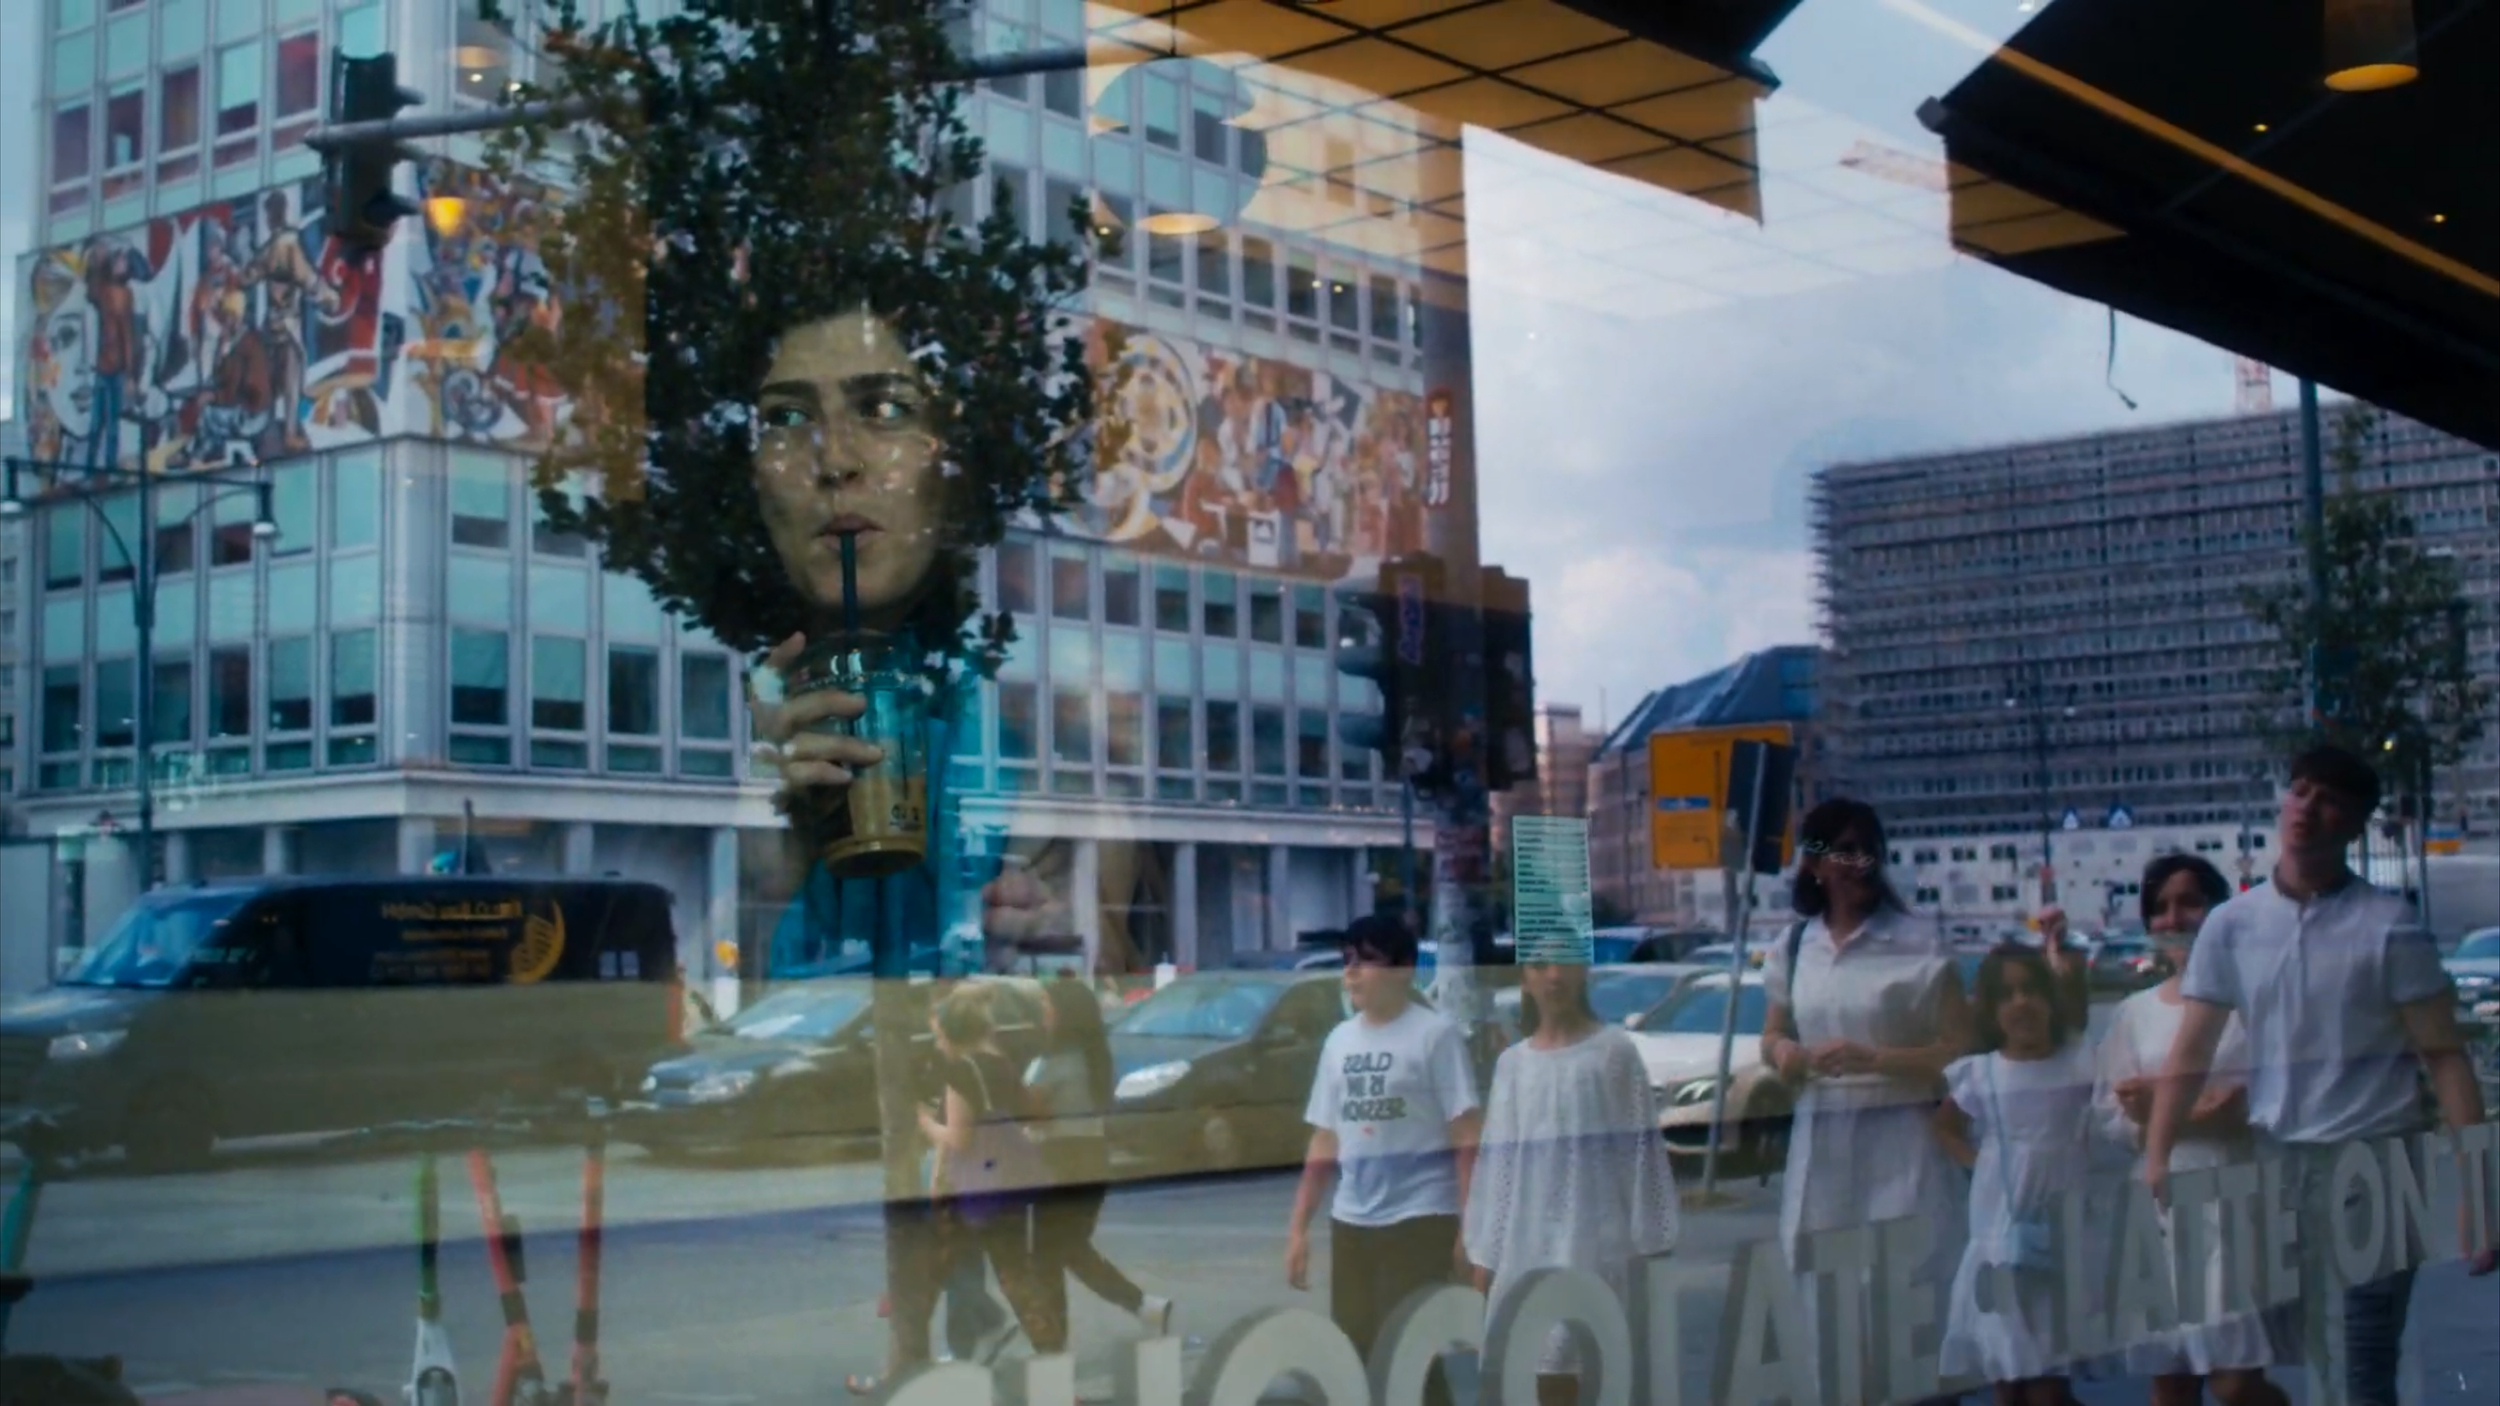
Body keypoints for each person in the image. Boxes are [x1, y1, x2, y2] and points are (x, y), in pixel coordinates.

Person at [2146, 744, 2499, 1406]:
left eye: (2329, 799)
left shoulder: (2388, 926)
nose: (2306, 808)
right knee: (2314, 1351)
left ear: (2354, 825)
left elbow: (2445, 1058)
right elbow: (2192, 1050)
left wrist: (2478, 1192)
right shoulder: (2233, 925)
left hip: (2375, 1161)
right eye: (2300, 790)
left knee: (2363, 1359)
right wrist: (2158, 1154)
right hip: (2278, 1164)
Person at [1758, 797, 1973, 1405]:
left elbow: (1961, 1049)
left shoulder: (1917, 942)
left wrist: (1876, 1060)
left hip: (1903, 1143)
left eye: (1870, 849)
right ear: (1815, 864)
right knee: (1832, 1319)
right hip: (1824, 1149)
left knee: (1910, 1311)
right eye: (1845, 850)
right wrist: (1786, 1054)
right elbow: (1772, 1034)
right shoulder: (1793, 947)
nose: (1861, 862)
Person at [2093, 855, 2285, 1406]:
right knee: (2171, 1380)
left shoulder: (2253, 1003)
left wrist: (2161, 1106)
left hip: (2233, 1197)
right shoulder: (2134, 1012)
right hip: (2158, 1197)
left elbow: (2259, 1100)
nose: (2173, 918)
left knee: (2234, 1376)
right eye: (2160, 907)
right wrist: (2188, 1111)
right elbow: (2112, 1112)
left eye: (2189, 902)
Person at [1463, 957, 1679, 1406]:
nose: (1554, 977)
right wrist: (1485, 1255)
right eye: (1540, 965)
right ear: (1524, 978)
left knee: (1590, 1371)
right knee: (1533, 1372)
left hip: (1595, 1244)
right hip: (1528, 1248)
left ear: (1583, 971)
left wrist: (1652, 1245)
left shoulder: (1612, 1052)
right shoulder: (1513, 1065)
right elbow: (1499, 1166)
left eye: (1564, 963)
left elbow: (1640, 1154)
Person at [1286, 914, 1481, 1406]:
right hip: (1353, 1219)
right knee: (1355, 1349)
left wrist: (1470, 1227)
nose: (1351, 972)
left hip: (1420, 1216)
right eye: (1346, 960)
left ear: (1402, 970)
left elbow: (1466, 1135)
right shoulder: (1339, 1041)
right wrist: (1299, 1228)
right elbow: (1324, 1139)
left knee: (1411, 1350)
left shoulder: (1434, 1036)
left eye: (1366, 960)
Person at [1933, 945, 2103, 1406]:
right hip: (1999, 1234)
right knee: (2007, 1377)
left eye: (2030, 990)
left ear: (2049, 998)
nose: (2021, 1003)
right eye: (2006, 995)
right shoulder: (1982, 1073)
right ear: (1991, 1010)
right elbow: (1945, 1126)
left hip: (2059, 1232)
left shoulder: (2078, 1061)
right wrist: (1979, 1164)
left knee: (2047, 1381)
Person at [917, 984, 1063, 1363]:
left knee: (951, 1264)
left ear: (953, 1034)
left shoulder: (961, 1073)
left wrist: (925, 1123)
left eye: (939, 1036)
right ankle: (1049, 1350)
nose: (938, 1044)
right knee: (1015, 1274)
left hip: (974, 1187)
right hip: (1008, 1181)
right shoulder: (1001, 1063)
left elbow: (959, 1138)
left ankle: (972, 1337)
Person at [1027, 978, 1175, 1335]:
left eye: (1047, 1004)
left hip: (1061, 1160)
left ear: (1065, 1013)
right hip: (1091, 1159)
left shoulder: (1057, 1062)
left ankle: (1054, 1343)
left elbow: (1030, 1111)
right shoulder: (1094, 1059)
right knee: (1069, 1249)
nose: (1042, 1011)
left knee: (1049, 1256)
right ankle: (1142, 1306)